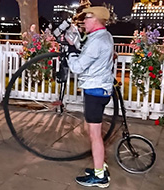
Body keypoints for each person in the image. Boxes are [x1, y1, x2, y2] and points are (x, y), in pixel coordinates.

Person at [67, 6, 114, 188]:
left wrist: (70, 50)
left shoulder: (97, 41)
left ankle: (100, 176)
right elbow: (91, 56)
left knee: (94, 135)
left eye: (87, 18)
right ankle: (99, 165)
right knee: (92, 130)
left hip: (95, 91)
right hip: (100, 89)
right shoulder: (104, 36)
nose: (84, 22)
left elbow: (78, 67)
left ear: (96, 20)